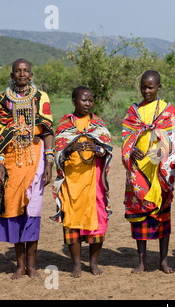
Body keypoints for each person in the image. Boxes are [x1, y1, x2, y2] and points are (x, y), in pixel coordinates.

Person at [0, 58, 54, 279]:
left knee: (33, 212)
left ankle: (32, 265)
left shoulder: (40, 97)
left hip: (36, 160)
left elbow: (47, 131)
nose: (22, 74)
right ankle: (19, 265)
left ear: (31, 75)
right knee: (15, 210)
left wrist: (49, 163)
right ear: (12, 74)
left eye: (26, 70)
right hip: (11, 162)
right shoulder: (2, 101)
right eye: (18, 71)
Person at [52, 86, 113, 277]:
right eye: (83, 100)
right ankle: (77, 264)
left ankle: (93, 263)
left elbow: (107, 149)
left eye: (90, 100)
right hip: (72, 181)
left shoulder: (98, 125)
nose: (87, 104)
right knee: (71, 221)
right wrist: (71, 149)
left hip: (94, 180)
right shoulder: (64, 125)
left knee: (98, 221)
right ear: (73, 101)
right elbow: (58, 152)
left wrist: (98, 149)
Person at [122, 70, 175, 274]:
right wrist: (131, 149)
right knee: (140, 214)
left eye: (150, 87)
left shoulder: (166, 110)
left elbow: (173, 139)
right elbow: (127, 136)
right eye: (143, 87)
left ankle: (163, 261)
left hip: (160, 170)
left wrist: (161, 153)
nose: (146, 90)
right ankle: (142, 261)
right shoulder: (134, 111)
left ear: (159, 88)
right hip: (138, 170)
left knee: (162, 214)